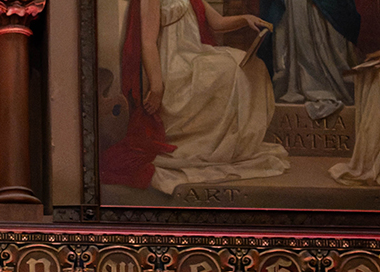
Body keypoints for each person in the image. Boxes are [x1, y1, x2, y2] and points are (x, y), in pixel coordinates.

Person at [101, 0, 290, 194]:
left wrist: (245, 19)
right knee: (229, 70)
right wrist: (156, 85)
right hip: (174, 65)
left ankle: (236, 143)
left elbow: (217, 22)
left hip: (195, 56)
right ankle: (219, 143)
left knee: (252, 66)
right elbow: (148, 42)